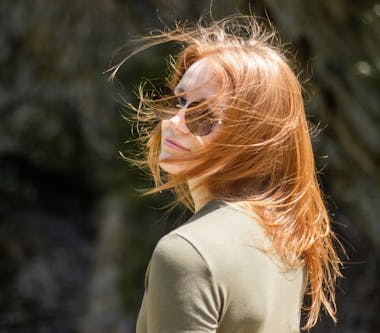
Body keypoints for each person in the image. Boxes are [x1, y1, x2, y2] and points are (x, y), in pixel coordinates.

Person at [109, 15, 343, 332]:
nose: (175, 123)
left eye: (203, 115)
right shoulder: (285, 239)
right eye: (179, 101)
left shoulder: (185, 253)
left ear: (251, 134)